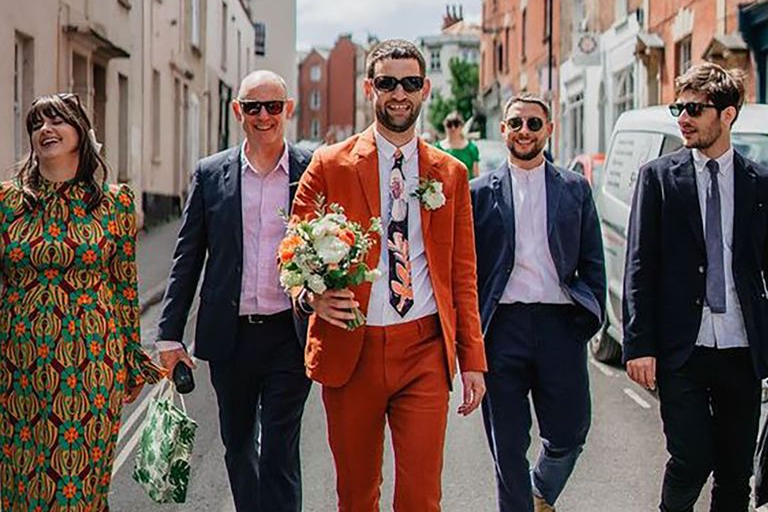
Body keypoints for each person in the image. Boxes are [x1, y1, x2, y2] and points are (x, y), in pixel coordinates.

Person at [292, 39, 487, 511]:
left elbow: (463, 274)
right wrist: (309, 297)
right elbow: (292, 252)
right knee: (357, 497)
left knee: (422, 498)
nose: (399, 93)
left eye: (410, 83)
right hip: (351, 348)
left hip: (423, 350)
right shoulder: (329, 164)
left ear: (425, 91)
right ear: (369, 88)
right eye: (387, 82)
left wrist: (473, 358)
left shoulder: (452, 173)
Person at [156, 71, 313, 512]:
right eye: (253, 107)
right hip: (232, 335)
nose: (264, 116)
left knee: (280, 450)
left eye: (273, 107)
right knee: (239, 448)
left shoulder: (310, 170)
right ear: (237, 111)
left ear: (289, 109)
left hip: (290, 334)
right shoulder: (211, 174)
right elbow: (187, 258)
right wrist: (169, 335)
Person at [0, 93, 162, 511]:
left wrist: (132, 358)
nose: (45, 130)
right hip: (17, 368)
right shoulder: (7, 202)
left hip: (91, 366)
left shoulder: (114, 202)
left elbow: (125, 285)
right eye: (36, 124)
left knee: (80, 485)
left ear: (80, 134)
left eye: (56, 121)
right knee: (20, 483)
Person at [623, 63, 768, 512]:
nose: (682, 118)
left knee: (735, 472)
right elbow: (640, 265)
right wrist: (638, 345)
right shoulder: (658, 178)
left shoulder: (759, 182)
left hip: (742, 348)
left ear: (727, 115)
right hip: (681, 347)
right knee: (690, 458)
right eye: (678, 107)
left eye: (694, 109)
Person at [470, 94, 606, 512]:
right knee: (507, 445)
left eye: (533, 123)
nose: (524, 131)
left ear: (549, 129)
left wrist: (587, 320)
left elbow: (593, 260)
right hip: (502, 328)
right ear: (503, 129)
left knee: (571, 431)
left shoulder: (574, 188)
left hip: (559, 325)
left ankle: (539, 492)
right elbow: (467, 269)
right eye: (516, 123)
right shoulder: (478, 193)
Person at [435, 111, 480, 178]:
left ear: (461, 126)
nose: (453, 128)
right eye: (449, 125)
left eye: (456, 124)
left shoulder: (472, 148)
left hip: (466, 187)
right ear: (445, 126)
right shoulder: (437, 148)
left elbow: (476, 175)